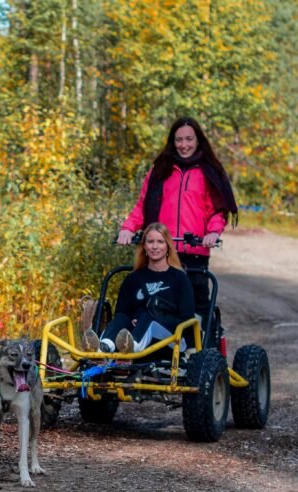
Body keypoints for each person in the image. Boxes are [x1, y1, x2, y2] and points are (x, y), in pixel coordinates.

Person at [116, 117, 238, 320]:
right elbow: (142, 206)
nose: (184, 145)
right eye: (179, 140)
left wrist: (213, 232)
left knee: (196, 305)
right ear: (172, 141)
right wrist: (127, 228)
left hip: (194, 252)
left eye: (189, 139)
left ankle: (196, 348)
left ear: (198, 140)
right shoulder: (160, 170)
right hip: (161, 252)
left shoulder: (208, 171)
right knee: (154, 299)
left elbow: (217, 211)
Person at [84, 223, 195, 354]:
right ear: (144, 246)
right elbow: (122, 313)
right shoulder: (133, 278)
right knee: (121, 319)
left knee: (148, 318)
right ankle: (102, 348)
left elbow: (187, 319)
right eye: (150, 242)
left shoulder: (180, 278)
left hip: (173, 338)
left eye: (160, 242)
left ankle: (133, 347)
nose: (154, 246)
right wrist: (134, 320)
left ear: (168, 246)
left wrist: (147, 319)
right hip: (136, 331)